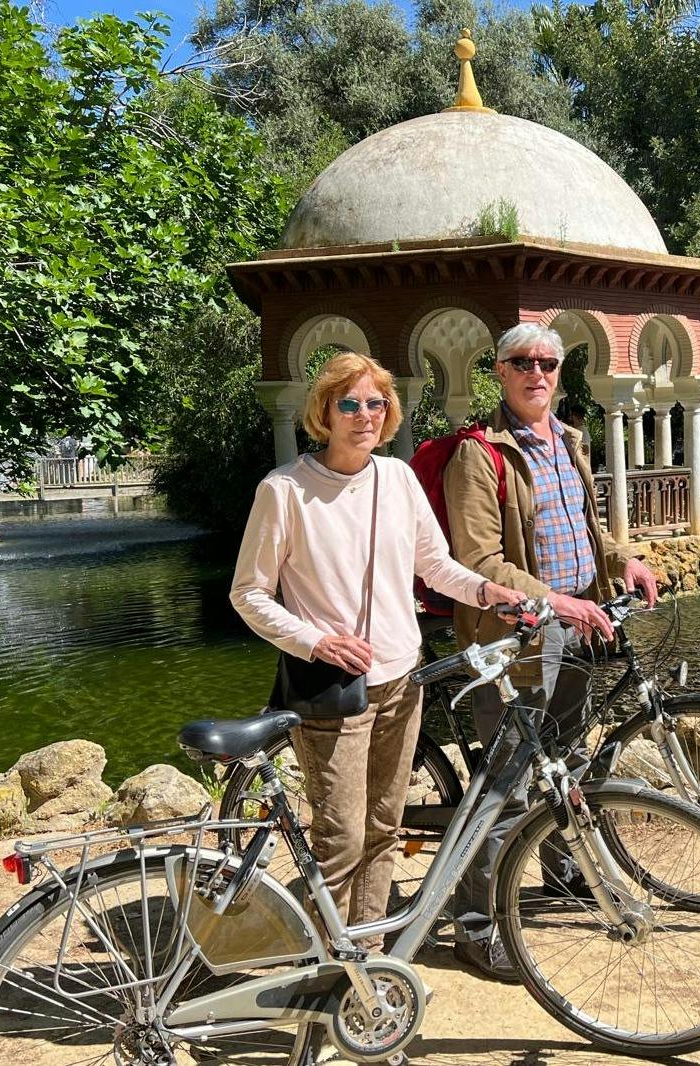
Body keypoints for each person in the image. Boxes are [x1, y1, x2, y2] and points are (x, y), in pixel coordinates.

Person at [230, 351, 525, 936]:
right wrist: (316, 640)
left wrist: (487, 590)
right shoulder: (284, 490)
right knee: (340, 841)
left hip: (402, 680)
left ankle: (367, 951)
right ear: (324, 412)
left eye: (376, 402)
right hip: (333, 689)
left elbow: (434, 566)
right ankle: (325, 964)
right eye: (349, 403)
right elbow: (249, 594)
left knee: (385, 828)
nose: (364, 414)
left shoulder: (398, 478)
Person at [444, 322, 660, 981]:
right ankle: (476, 926)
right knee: (507, 785)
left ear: (559, 372)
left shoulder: (569, 439)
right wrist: (558, 602)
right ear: (499, 371)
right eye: (522, 363)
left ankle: (563, 875)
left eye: (547, 362)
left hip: (574, 630)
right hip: (515, 638)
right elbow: (479, 560)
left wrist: (624, 560)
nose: (536, 373)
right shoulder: (478, 454)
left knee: (568, 762)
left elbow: (585, 530)